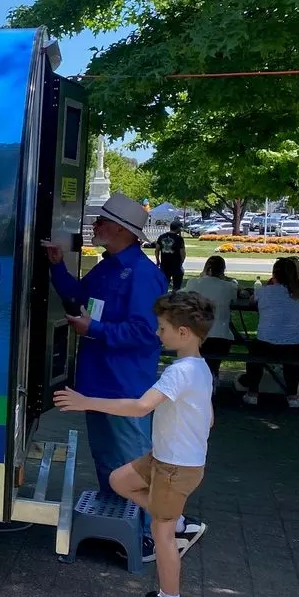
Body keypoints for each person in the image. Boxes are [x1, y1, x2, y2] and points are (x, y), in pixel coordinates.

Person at [41, 193, 204, 558]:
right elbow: (76, 296)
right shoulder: (108, 267)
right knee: (106, 456)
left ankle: (153, 533)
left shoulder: (143, 275)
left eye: (102, 221)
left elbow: (147, 332)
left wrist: (94, 329)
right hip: (99, 382)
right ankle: (121, 521)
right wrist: (57, 266)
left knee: (133, 459)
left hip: (124, 385)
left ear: (121, 230)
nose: (95, 225)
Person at [54, 291, 215, 597]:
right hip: (167, 459)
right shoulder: (200, 368)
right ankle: (180, 523)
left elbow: (141, 407)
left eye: (162, 328)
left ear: (183, 332)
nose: (157, 333)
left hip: (174, 467)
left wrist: (86, 402)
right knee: (119, 480)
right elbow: (210, 418)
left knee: (161, 534)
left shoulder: (179, 373)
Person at [236, 256, 299, 408]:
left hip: (265, 345)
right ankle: (293, 396)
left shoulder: (264, 292)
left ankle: (252, 393)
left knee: (254, 349)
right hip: (294, 347)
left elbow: (252, 302)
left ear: (274, 274)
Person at [185, 255, 239, 382]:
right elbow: (234, 295)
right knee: (213, 362)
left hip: (196, 335)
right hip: (220, 338)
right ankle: (212, 377)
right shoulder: (228, 286)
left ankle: (201, 380)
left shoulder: (193, 283)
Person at [153, 222, 187, 291]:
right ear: (178, 228)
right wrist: (181, 262)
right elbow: (182, 253)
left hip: (164, 265)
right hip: (176, 265)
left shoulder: (161, 236)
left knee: (163, 286)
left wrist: (158, 260)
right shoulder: (179, 238)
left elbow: (157, 250)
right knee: (176, 287)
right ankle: (174, 297)